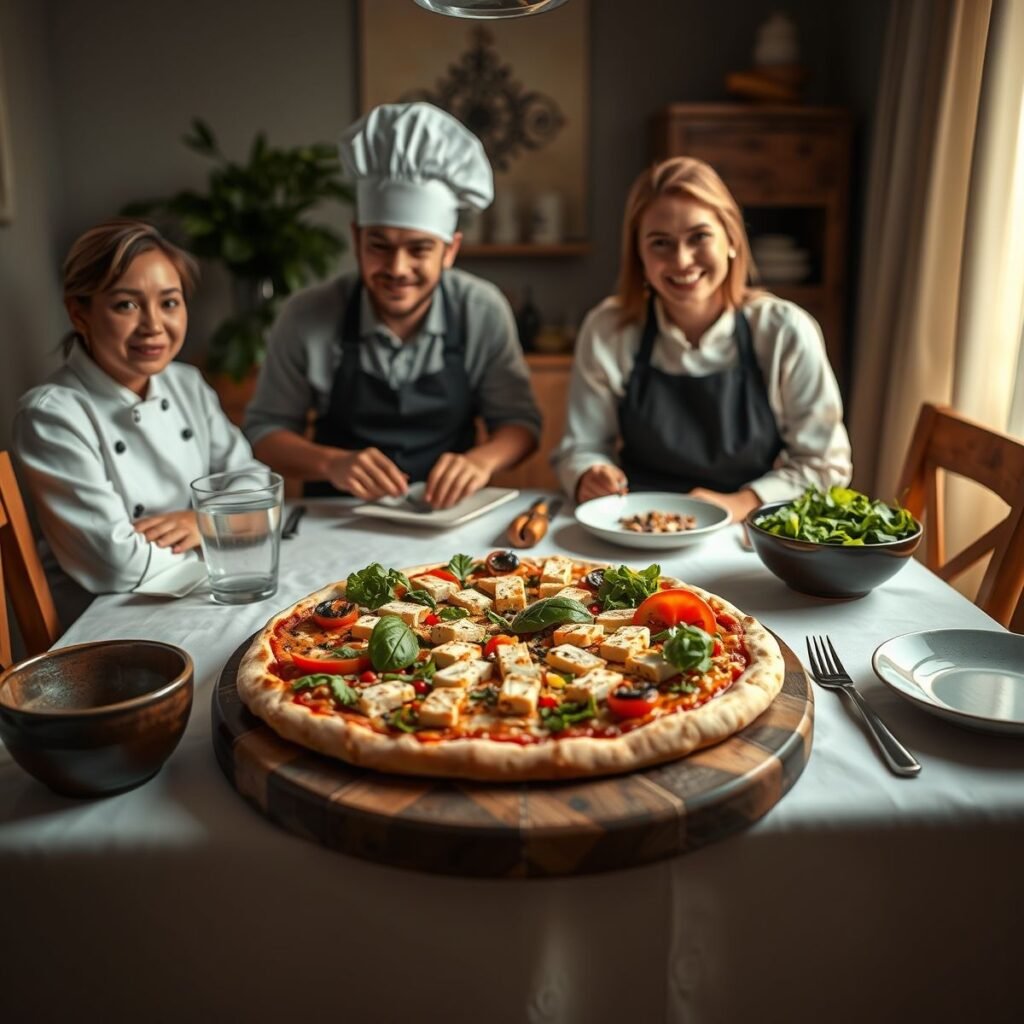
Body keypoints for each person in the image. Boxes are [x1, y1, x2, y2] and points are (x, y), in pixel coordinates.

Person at [244, 102, 540, 509]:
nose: (397, 269)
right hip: (338, 516)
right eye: (379, 246)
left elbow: (520, 424)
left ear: (450, 250)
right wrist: (332, 463)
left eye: (419, 249)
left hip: (444, 517)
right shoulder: (306, 315)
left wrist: (480, 462)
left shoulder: (481, 309)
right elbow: (264, 433)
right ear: (356, 238)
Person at [552, 157, 852, 520]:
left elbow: (824, 464)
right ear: (639, 255)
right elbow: (581, 447)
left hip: (748, 528)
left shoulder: (784, 331)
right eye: (660, 243)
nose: (681, 260)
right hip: (637, 524)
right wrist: (589, 474)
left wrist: (740, 503)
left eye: (699, 237)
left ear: (731, 239)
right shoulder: (608, 328)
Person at [14, 218, 258, 620]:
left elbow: (254, 482)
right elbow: (114, 563)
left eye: (169, 303)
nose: (153, 325)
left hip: (200, 592)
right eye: (126, 305)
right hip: (110, 621)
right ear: (79, 313)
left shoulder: (186, 383)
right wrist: (226, 528)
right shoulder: (51, 414)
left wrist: (201, 523)